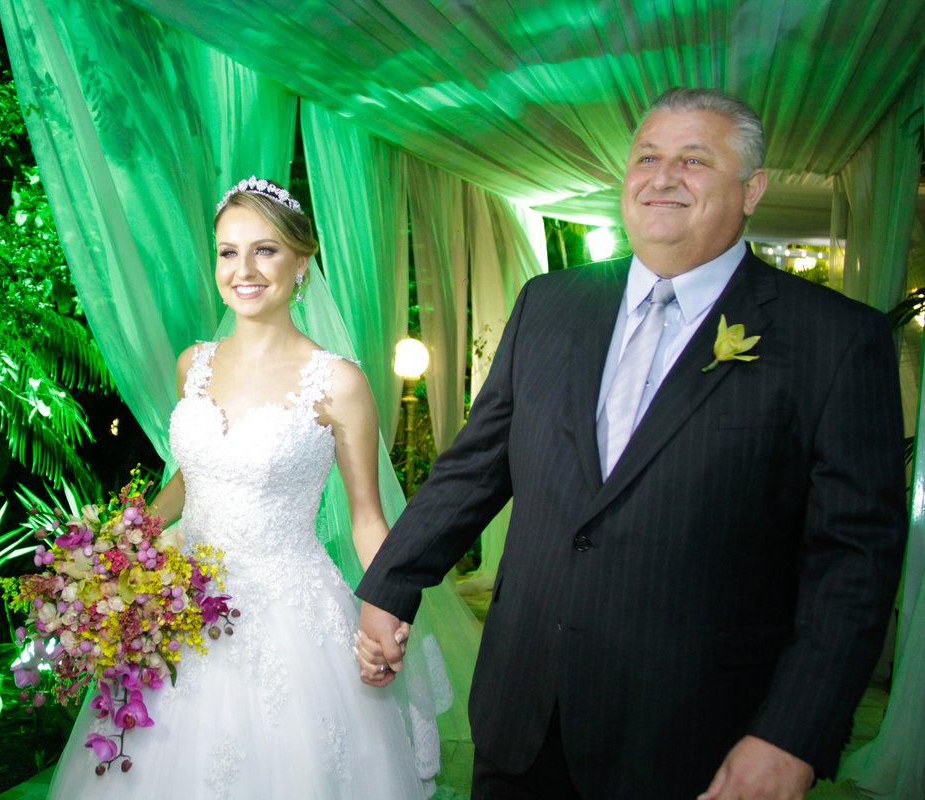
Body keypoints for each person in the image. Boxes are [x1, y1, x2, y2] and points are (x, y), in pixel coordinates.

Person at [355, 87, 907, 800]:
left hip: (693, 736)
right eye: (647, 155)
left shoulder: (835, 340)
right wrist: (393, 583)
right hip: (523, 713)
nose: (663, 175)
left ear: (752, 190)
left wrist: (791, 736)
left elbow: (853, 561)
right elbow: (472, 471)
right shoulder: (550, 304)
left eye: (695, 159)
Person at [45, 178, 433, 799]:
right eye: (228, 251)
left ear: (301, 262)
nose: (243, 270)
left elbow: (366, 516)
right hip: (176, 605)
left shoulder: (340, 383)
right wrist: (117, 542)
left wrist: (385, 605)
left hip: (288, 616)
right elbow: (193, 477)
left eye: (266, 250)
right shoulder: (192, 363)